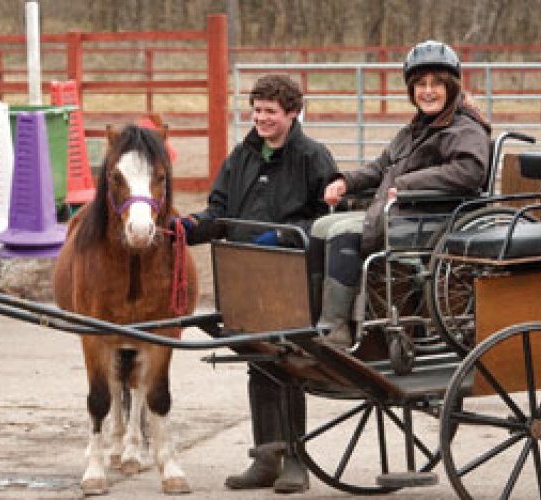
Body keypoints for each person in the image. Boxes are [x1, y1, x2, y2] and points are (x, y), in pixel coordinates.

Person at [175, 74, 338, 493]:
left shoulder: (312, 157)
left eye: (270, 111)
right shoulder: (241, 156)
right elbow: (219, 211)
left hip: (291, 274)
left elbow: (329, 219)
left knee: (286, 363)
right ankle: (266, 457)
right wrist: (187, 228)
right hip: (244, 273)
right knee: (257, 360)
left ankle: (296, 463)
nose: (260, 118)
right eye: (256, 110)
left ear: (292, 113)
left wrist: (283, 235)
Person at [314, 40, 491, 348]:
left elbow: (469, 171)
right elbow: (381, 166)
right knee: (320, 227)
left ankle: (336, 328)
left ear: (451, 86)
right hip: (403, 209)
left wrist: (410, 184)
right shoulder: (415, 129)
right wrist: (345, 182)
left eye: (437, 83)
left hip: (432, 216)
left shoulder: (465, 129)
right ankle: (319, 315)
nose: (428, 90)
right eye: (420, 84)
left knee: (342, 232)